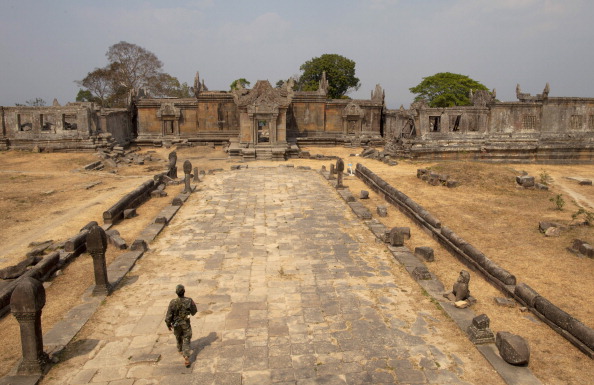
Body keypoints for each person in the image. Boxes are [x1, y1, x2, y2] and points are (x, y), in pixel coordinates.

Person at [165, 284, 197, 367]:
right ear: (184, 292)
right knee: (187, 338)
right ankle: (186, 356)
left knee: (178, 336)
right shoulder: (189, 300)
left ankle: (180, 349)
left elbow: (168, 315)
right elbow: (194, 311)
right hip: (185, 323)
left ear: (176, 293)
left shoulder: (172, 302)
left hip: (176, 324)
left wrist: (168, 324)